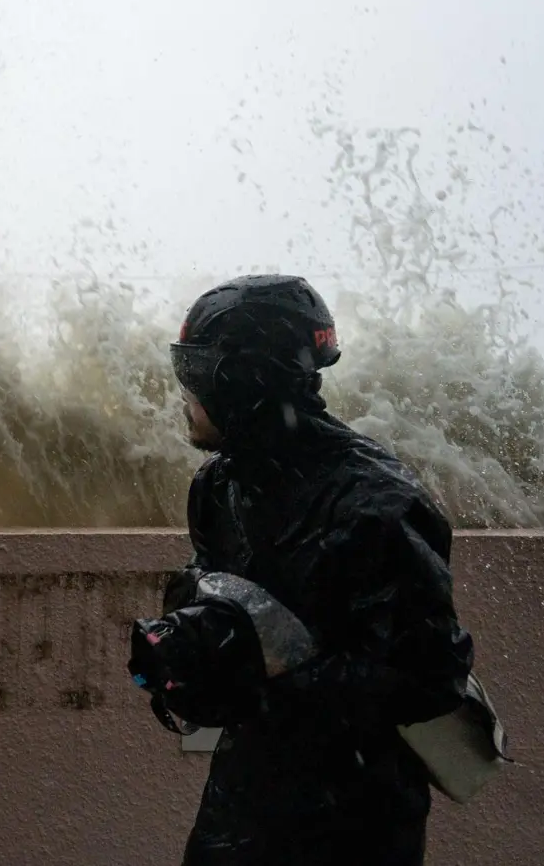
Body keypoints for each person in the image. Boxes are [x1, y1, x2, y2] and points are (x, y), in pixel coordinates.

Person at [150, 274, 476, 866]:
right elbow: (234, 601)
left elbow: (430, 673)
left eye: (196, 375)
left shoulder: (375, 502)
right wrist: (192, 649)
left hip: (352, 822)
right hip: (240, 799)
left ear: (246, 382)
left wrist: (259, 685)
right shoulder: (217, 486)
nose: (183, 394)